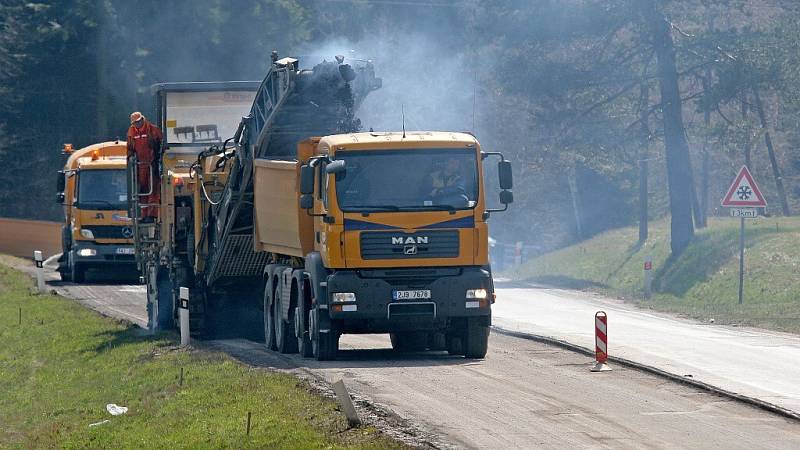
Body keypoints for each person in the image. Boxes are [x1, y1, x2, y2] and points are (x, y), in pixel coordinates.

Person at [127, 112, 163, 222]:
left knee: (153, 190)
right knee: (142, 190)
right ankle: (143, 215)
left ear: (143, 119)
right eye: (135, 123)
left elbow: (162, 144)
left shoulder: (153, 130)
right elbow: (129, 148)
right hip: (140, 166)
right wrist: (130, 157)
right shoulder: (131, 132)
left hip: (153, 164)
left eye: (138, 121)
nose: (137, 124)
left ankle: (152, 215)